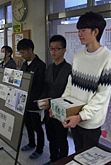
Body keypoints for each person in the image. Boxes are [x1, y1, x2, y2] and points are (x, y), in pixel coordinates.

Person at [59, 11, 111, 152]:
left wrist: (81, 116)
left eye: (83, 30)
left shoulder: (108, 59)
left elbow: (101, 96)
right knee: (78, 152)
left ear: (95, 32)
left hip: (90, 122)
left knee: (89, 158)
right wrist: (61, 106)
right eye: (79, 30)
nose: (79, 34)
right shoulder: (78, 56)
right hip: (74, 116)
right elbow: (70, 84)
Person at [37, 35, 71, 165]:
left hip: (61, 111)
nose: (53, 52)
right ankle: (53, 160)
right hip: (48, 111)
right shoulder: (49, 68)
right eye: (51, 49)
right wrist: (43, 100)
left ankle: (62, 162)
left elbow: (69, 93)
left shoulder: (69, 69)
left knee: (62, 139)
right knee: (51, 138)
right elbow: (45, 87)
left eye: (57, 49)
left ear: (64, 50)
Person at [17, 38, 46, 159]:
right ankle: (31, 143)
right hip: (24, 101)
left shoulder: (40, 65)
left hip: (34, 102)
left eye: (23, 52)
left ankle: (39, 149)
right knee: (28, 124)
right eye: (20, 53)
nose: (22, 55)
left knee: (37, 127)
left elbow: (40, 86)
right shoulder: (24, 64)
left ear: (30, 50)